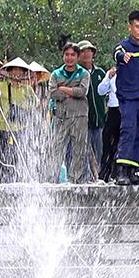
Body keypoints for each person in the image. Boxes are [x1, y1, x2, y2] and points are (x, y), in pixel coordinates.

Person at [112, 10, 139, 186]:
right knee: (128, 131)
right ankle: (121, 170)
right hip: (128, 98)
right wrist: (123, 57)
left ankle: (132, 171)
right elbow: (116, 53)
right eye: (137, 26)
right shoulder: (124, 46)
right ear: (130, 26)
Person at [49, 42, 90, 183]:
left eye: (73, 55)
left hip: (80, 116)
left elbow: (82, 92)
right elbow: (53, 93)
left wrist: (64, 89)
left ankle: (75, 180)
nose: (69, 58)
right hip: (61, 116)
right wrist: (72, 91)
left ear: (78, 57)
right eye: (67, 54)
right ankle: (51, 179)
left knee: (79, 149)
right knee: (57, 148)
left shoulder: (84, 73)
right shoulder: (56, 74)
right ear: (63, 56)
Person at [78, 40, 107, 183]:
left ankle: (100, 177)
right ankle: (86, 178)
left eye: (89, 50)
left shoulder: (100, 72)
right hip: (83, 120)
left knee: (100, 150)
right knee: (83, 152)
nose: (86, 53)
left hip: (100, 119)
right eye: (83, 51)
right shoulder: (77, 74)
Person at [97, 65, 121, 182]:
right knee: (107, 142)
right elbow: (100, 91)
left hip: (126, 109)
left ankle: (119, 173)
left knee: (122, 144)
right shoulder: (112, 73)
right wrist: (108, 77)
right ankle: (104, 174)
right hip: (113, 110)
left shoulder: (133, 71)